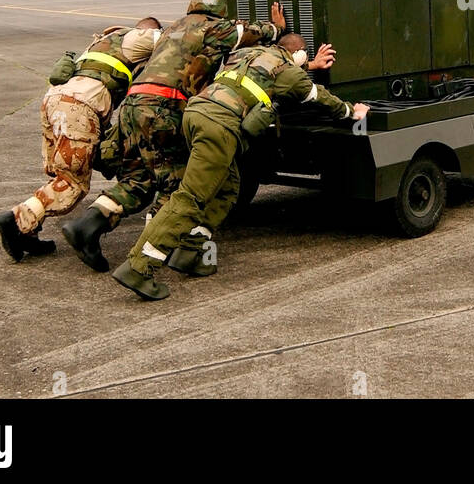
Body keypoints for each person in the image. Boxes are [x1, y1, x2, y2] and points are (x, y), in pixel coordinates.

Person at [112, 32, 368, 300]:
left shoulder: (250, 54)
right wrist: (354, 112)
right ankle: (139, 266)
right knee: (190, 198)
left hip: (196, 114)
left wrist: (306, 64)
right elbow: (321, 98)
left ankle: (190, 251)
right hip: (219, 127)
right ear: (299, 55)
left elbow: (273, 69)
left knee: (227, 189)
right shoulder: (290, 73)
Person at [61, 0, 284, 272]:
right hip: (164, 107)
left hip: (133, 104)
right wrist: (276, 29)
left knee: (137, 179)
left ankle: (87, 225)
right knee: (176, 183)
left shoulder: (172, 28)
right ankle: (151, 253)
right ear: (220, 10)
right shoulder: (214, 28)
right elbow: (252, 34)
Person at [0, 17, 161, 262]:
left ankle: (27, 232)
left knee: (60, 174)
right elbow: (177, 38)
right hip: (80, 106)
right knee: (74, 183)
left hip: (55, 100)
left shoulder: (103, 41)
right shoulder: (139, 37)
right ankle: (16, 219)